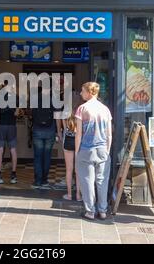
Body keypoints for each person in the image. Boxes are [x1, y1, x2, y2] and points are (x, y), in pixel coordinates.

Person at [75, 82, 112, 220]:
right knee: (102, 181)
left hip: (86, 149)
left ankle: (90, 211)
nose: (80, 93)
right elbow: (109, 134)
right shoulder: (105, 109)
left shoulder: (82, 109)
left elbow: (79, 133)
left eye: (83, 91)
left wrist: (77, 152)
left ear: (90, 92)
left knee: (87, 181)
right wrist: (107, 150)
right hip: (102, 149)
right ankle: (102, 211)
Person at [31, 86, 56, 189]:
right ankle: (44, 180)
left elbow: (32, 114)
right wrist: (58, 131)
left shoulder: (35, 98)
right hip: (50, 131)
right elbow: (57, 116)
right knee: (47, 156)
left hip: (37, 130)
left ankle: (37, 181)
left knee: (38, 156)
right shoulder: (54, 99)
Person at [0, 90, 21, 185]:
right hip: (12, 126)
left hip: (1, 125)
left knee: (0, 149)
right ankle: (13, 175)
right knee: (13, 150)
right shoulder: (16, 97)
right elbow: (16, 113)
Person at [60, 110, 82, 202]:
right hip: (78, 142)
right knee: (78, 171)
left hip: (68, 141)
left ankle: (69, 195)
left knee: (69, 170)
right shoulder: (81, 113)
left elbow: (65, 130)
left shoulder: (65, 114)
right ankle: (78, 195)